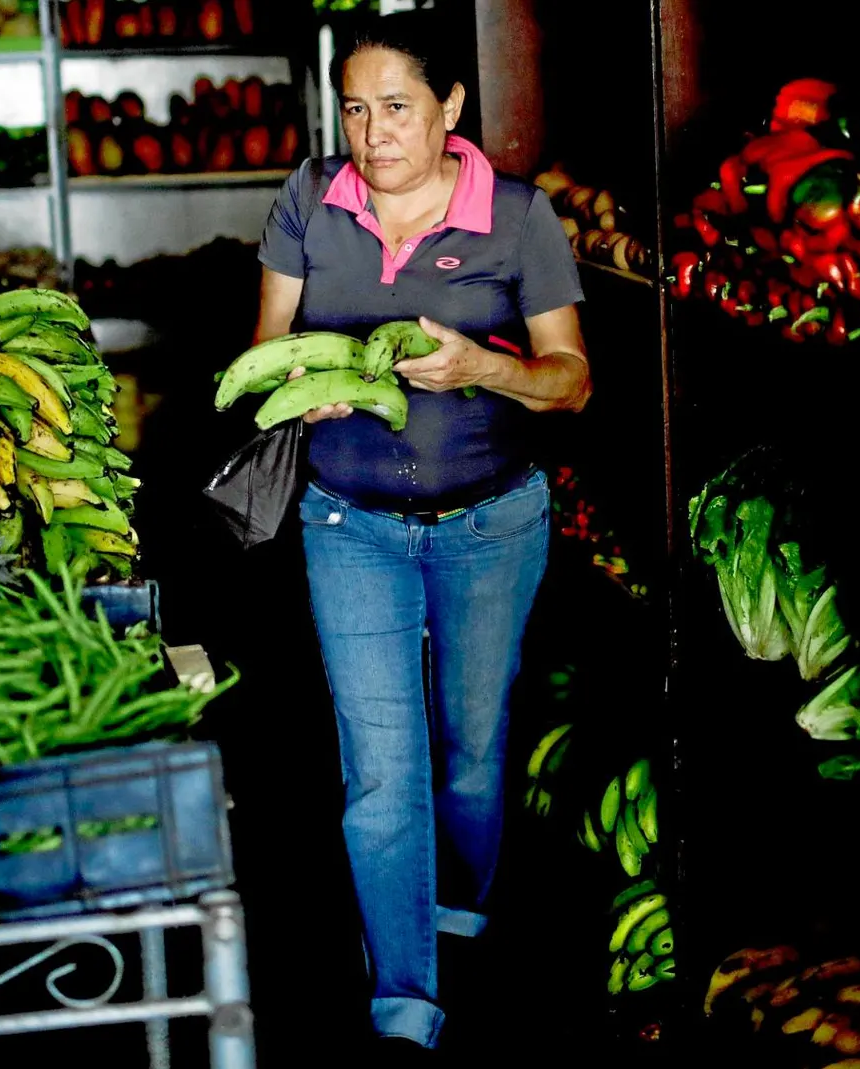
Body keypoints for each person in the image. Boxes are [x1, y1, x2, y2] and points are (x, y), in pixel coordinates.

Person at [252, 14, 590, 1059]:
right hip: (347, 525)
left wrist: (480, 367)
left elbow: (569, 380)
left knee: (473, 754)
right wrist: (299, 386)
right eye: (353, 108)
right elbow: (265, 349)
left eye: (396, 107)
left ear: (449, 108)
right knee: (380, 772)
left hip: (492, 523)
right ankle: (403, 1002)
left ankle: (461, 910)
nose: (371, 132)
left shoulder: (521, 219)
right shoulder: (310, 199)